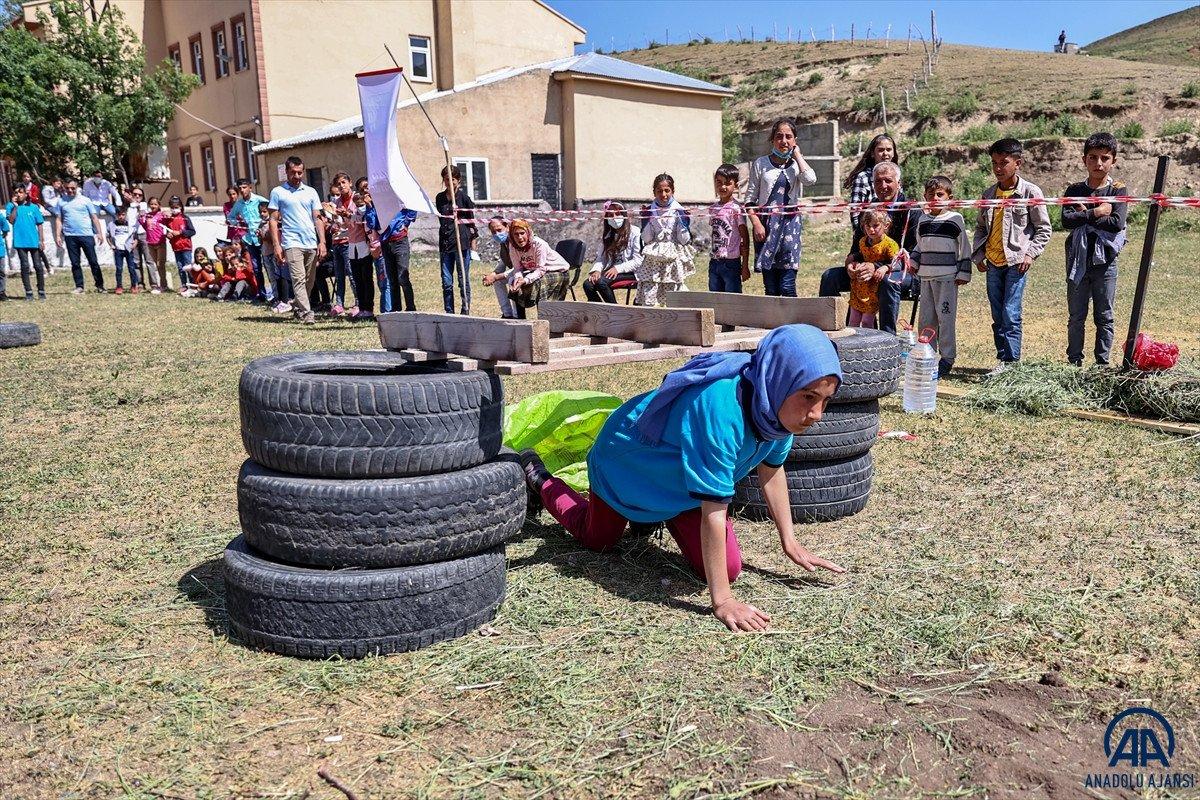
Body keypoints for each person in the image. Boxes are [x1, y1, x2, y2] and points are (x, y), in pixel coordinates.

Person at [519, 324, 847, 632]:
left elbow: (771, 470)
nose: (817, 414)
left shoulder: (775, 412)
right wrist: (723, 601)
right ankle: (541, 479)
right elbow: (714, 512)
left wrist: (789, 541)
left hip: (681, 486)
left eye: (825, 400)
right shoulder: (722, 409)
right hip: (626, 466)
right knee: (597, 540)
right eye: (808, 396)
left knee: (728, 569)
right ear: (779, 378)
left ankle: (652, 517)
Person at [972, 138, 1053, 373]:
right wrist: (979, 255)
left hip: (1016, 263)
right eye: (994, 163)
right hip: (993, 262)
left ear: (1018, 163)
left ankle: (1012, 363)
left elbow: (1044, 228)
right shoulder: (989, 194)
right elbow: (980, 228)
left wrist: (1030, 254)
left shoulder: (1030, 192)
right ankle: (1002, 360)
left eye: (1003, 163)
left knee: (1011, 312)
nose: (998, 168)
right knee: (997, 314)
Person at [819, 162, 920, 334]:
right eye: (878, 181)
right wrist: (851, 264)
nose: (883, 186)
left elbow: (912, 256)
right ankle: (831, 333)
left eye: (888, 181)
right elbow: (856, 248)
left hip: (901, 273)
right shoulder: (869, 210)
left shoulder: (911, 210)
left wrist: (878, 266)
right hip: (867, 272)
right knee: (830, 277)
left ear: (899, 183)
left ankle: (886, 338)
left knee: (887, 281)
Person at [1062, 132, 1128, 368]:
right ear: (1084, 160)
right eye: (1093, 157)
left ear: (1113, 161)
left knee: (1104, 315)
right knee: (1076, 316)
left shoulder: (1118, 190)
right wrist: (1097, 212)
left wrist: (1084, 215)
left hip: (1106, 261)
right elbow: (1066, 221)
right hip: (1078, 259)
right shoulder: (1074, 190)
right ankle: (1074, 362)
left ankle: (1102, 363)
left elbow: (1117, 223)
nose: (1098, 163)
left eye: (1104, 158)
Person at [746, 119, 817, 298]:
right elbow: (749, 199)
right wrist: (756, 224)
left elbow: (810, 180)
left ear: (794, 140)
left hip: (790, 227)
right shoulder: (761, 163)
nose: (783, 141)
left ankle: (792, 317)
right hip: (766, 227)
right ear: (772, 139)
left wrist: (797, 155)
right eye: (779, 136)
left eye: (788, 137)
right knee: (770, 287)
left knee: (787, 285)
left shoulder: (796, 165)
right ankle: (772, 318)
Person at [910, 176, 972, 377]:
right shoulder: (922, 220)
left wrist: (963, 272)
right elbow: (920, 245)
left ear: (949, 198)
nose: (935, 198)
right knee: (926, 320)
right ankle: (927, 355)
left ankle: (947, 358)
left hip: (947, 278)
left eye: (940, 194)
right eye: (931, 195)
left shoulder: (955, 219)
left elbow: (964, 247)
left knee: (945, 319)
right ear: (925, 197)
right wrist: (913, 262)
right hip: (926, 278)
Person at [268, 155, 327, 324]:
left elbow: (318, 218)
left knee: (309, 280)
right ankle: (307, 313)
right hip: (291, 241)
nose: (297, 176)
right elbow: (273, 220)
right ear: (287, 172)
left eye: (300, 172)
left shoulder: (311, 192)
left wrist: (322, 241)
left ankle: (297, 305)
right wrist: (277, 245)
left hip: (310, 241)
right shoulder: (278, 192)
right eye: (293, 172)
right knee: (298, 279)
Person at [493, 219, 570, 319]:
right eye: (516, 234)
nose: (520, 238)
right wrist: (518, 279)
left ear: (528, 232)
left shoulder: (538, 244)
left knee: (538, 282)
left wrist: (525, 280)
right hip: (538, 271)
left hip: (558, 271)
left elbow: (540, 269)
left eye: (522, 233)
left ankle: (543, 320)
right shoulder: (513, 246)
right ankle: (519, 320)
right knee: (513, 282)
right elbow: (517, 268)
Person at [637, 174, 694, 306]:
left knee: (673, 294)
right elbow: (646, 238)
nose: (663, 195)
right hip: (653, 259)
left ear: (672, 191)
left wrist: (683, 221)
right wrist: (647, 219)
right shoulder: (650, 210)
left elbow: (684, 240)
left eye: (667, 190)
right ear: (654, 192)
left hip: (673, 258)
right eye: (659, 191)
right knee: (650, 290)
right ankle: (650, 317)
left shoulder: (679, 210)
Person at [436, 165, 477, 315]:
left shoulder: (464, 199)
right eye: (446, 179)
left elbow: (471, 223)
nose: (449, 182)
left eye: (452, 179)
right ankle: (449, 312)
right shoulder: (440, 198)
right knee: (447, 282)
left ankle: (465, 310)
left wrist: (473, 243)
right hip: (446, 244)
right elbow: (442, 220)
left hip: (462, 244)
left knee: (462, 280)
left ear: (458, 180)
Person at [54, 179, 108, 294]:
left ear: (77, 187)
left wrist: (99, 233)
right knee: (75, 263)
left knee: (93, 261)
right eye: (67, 188)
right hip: (70, 236)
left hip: (86, 235)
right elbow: (58, 219)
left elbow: (94, 217)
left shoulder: (85, 200)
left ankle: (100, 285)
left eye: (72, 188)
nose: (70, 190)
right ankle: (79, 286)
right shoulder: (61, 201)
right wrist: (58, 235)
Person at [847, 210, 898, 329]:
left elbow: (896, 262)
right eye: (868, 226)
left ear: (886, 225)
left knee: (866, 321)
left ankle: (870, 340)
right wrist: (853, 264)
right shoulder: (862, 242)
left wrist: (885, 267)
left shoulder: (890, 244)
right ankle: (852, 341)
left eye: (875, 226)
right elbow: (861, 256)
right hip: (859, 286)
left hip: (873, 289)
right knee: (853, 320)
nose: (871, 230)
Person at [584, 202, 642, 304]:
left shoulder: (635, 232)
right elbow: (601, 258)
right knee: (588, 284)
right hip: (612, 271)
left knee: (601, 282)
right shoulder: (608, 235)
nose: (614, 218)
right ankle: (600, 310)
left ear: (624, 215)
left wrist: (617, 269)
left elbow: (638, 260)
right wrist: (596, 270)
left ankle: (615, 310)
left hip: (631, 272)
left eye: (618, 214)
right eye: (610, 215)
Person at [843, 134, 899, 229]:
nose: (885, 153)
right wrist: (863, 233)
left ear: (893, 153)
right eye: (881, 150)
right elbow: (855, 213)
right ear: (873, 154)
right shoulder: (862, 178)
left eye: (889, 150)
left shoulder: (896, 175)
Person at [708, 165, 750, 294]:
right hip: (714, 261)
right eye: (719, 183)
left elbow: (745, 237)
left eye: (727, 183)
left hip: (731, 262)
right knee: (715, 298)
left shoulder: (736, 209)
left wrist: (745, 266)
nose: (723, 187)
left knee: (732, 299)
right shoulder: (713, 209)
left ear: (735, 186)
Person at [7, 186, 47, 300]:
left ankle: (41, 290)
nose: (18, 194)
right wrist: (15, 207)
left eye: (20, 192)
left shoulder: (33, 207)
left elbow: (40, 224)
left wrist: (41, 240)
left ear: (26, 194)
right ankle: (28, 292)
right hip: (20, 242)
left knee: (38, 266)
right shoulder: (11, 207)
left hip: (33, 241)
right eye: (16, 192)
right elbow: (11, 220)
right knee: (25, 266)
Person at [379, 202, 419, 313]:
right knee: (392, 279)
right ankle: (396, 309)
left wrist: (406, 223)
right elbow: (373, 221)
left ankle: (410, 308)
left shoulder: (399, 195)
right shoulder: (380, 198)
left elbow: (412, 205)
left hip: (400, 240)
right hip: (386, 241)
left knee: (403, 276)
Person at [345, 180, 376, 320]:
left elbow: (363, 218)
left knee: (366, 278)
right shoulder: (357, 202)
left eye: (366, 187)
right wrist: (346, 215)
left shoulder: (368, 202)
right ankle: (362, 307)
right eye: (362, 188)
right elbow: (356, 219)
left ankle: (368, 308)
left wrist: (364, 204)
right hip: (353, 245)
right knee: (357, 278)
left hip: (365, 243)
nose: (365, 190)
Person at [481, 217, 516, 317]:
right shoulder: (504, 244)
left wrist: (495, 277)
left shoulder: (516, 240)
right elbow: (503, 262)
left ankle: (517, 315)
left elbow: (519, 267)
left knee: (513, 280)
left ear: (507, 227)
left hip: (528, 272)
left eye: (499, 230)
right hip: (516, 272)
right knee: (498, 281)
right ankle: (507, 314)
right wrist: (492, 275)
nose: (497, 234)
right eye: (493, 232)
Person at [164, 196, 196, 293]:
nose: (174, 209)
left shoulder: (185, 218)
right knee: (180, 267)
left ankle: (192, 285)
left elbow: (192, 231)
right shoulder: (169, 220)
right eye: (172, 207)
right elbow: (166, 231)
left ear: (181, 207)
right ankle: (184, 285)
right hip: (176, 247)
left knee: (188, 266)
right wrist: (168, 235)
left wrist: (181, 232)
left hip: (186, 247)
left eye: (176, 207)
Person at [139, 197, 169, 294]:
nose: (153, 206)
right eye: (151, 204)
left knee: (160, 264)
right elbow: (145, 226)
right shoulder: (147, 216)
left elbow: (168, 223)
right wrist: (141, 215)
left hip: (160, 243)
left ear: (159, 205)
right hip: (150, 243)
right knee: (155, 264)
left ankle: (164, 285)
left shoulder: (161, 215)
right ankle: (157, 285)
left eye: (155, 204)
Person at [109, 207, 141, 294]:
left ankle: (133, 286)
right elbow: (108, 236)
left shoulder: (130, 225)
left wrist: (134, 244)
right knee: (119, 269)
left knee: (132, 268)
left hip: (128, 250)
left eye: (123, 215)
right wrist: (111, 245)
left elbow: (135, 236)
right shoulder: (112, 225)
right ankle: (119, 286)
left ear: (126, 215)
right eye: (119, 215)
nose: (121, 217)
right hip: (118, 250)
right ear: (116, 215)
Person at [41, 176, 64, 273]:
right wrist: (56, 203)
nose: (59, 185)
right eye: (58, 183)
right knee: (58, 214)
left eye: (60, 183)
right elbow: (47, 200)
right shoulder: (47, 189)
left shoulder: (59, 191)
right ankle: (61, 230)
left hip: (58, 205)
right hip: (50, 206)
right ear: (53, 183)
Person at [0, 212, 9, 300]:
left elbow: (5, 230)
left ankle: (1, 292)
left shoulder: (0, 217)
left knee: (1, 272)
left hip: (0, 250)